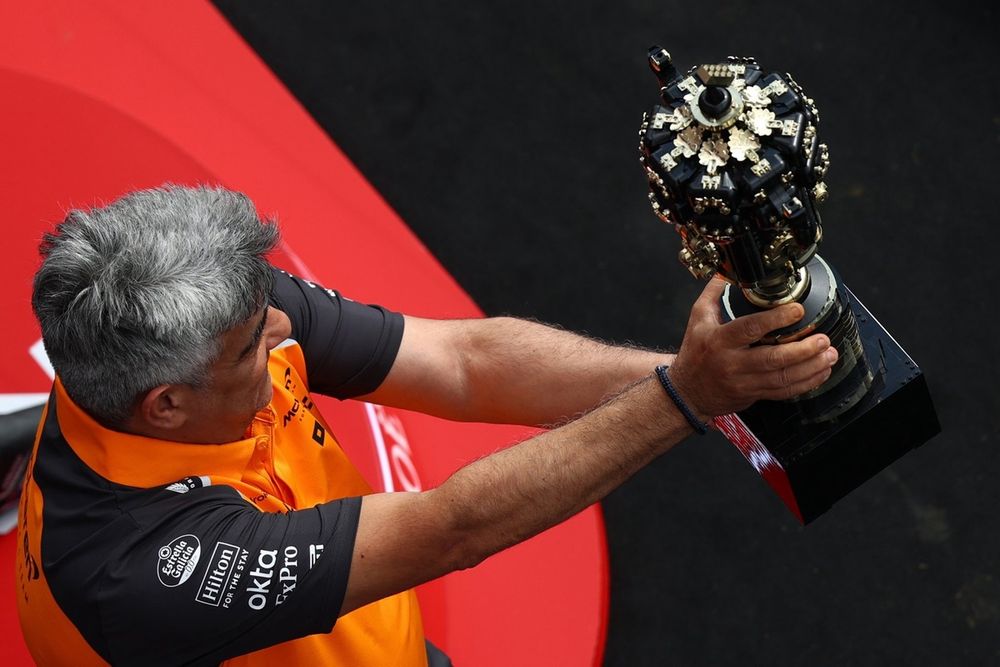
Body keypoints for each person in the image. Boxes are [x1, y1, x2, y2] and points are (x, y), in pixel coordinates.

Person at [17, 185, 837, 666]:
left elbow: (464, 362)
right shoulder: (143, 570)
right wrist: (684, 397)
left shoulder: (220, 317)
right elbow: (453, 527)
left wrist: (721, 377)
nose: (281, 329)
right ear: (165, 406)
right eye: (250, 348)